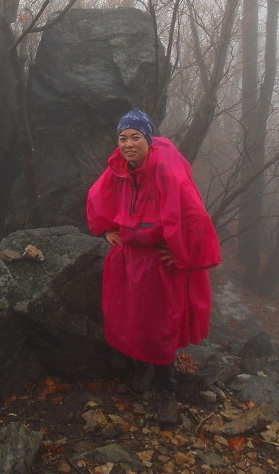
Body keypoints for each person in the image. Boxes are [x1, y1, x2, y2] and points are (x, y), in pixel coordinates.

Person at [87, 109, 222, 428]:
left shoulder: (167, 171)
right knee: (131, 316)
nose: (128, 144)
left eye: (135, 137)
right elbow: (97, 195)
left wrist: (182, 253)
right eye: (123, 138)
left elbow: (194, 215)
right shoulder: (120, 168)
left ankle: (166, 391)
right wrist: (105, 229)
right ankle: (141, 372)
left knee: (161, 324)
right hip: (129, 257)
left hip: (159, 262)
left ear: (148, 139)